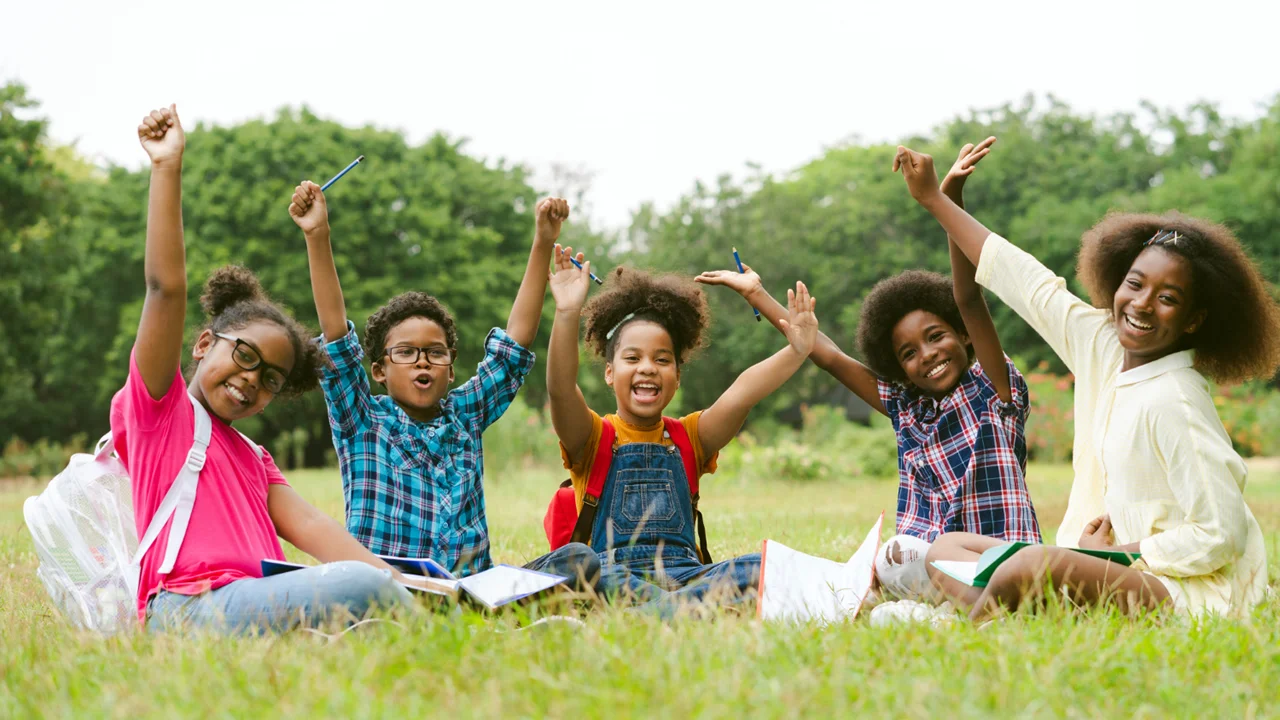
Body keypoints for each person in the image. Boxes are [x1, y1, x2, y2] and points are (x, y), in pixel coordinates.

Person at [894, 144, 1280, 620]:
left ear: (1194, 319)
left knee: (1029, 565)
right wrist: (938, 201)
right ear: (1118, 282)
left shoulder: (1176, 398)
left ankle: (965, 627)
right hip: (1097, 565)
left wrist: (1117, 555)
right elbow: (1023, 280)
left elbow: (1220, 534)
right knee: (946, 548)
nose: (1141, 304)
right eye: (1135, 284)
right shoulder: (1101, 343)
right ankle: (1005, 613)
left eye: (1168, 298)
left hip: (1186, 591)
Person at [117, 105, 438, 635]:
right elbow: (164, 288)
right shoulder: (161, 412)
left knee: (385, 584)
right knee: (364, 589)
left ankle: (425, 617)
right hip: (187, 609)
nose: (251, 379)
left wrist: (406, 583)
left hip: (253, 602)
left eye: (270, 379)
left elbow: (311, 525)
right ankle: (432, 630)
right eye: (244, 356)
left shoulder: (252, 456)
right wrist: (166, 167)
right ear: (203, 343)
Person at [697, 138, 1039, 615]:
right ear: (897, 366)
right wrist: (758, 294)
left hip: (1000, 563)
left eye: (936, 336)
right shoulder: (908, 409)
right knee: (893, 586)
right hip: (930, 571)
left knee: (895, 558)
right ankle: (932, 614)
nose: (928, 355)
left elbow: (968, 298)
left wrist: (946, 200)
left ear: (963, 336)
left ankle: (977, 610)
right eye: (908, 353)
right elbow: (827, 354)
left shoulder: (993, 391)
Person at [290, 181, 599, 587]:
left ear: (451, 369)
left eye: (436, 353)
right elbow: (335, 335)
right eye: (406, 352)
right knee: (347, 587)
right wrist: (318, 235)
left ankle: (503, 608)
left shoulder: (464, 414)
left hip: (471, 587)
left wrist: (542, 242)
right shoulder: (361, 419)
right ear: (379, 370)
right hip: (390, 586)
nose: (423, 361)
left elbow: (514, 346)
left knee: (578, 559)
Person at [545, 245, 818, 614]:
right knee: (576, 562)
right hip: (611, 576)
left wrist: (796, 352)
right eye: (632, 358)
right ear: (609, 373)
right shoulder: (593, 437)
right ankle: (689, 610)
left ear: (676, 376)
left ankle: (660, 610)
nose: (648, 368)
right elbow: (561, 388)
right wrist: (566, 312)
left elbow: (741, 394)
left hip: (686, 575)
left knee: (763, 564)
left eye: (662, 360)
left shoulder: (691, 437)